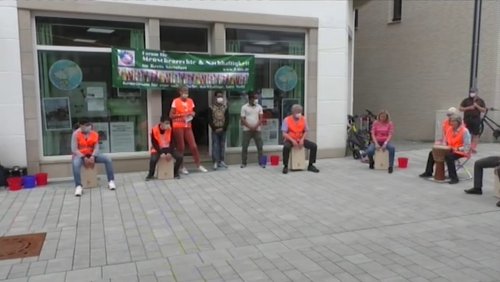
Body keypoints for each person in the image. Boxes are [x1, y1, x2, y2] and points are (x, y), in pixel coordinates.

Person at [419, 115, 471, 184]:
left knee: (449, 157)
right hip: (449, 149)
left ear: (458, 122)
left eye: (453, 121)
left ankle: (454, 178)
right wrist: (441, 147)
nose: (451, 123)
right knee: (432, 153)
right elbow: (445, 141)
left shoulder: (465, 131)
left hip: (460, 151)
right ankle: (428, 172)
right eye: (450, 121)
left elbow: (467, 146)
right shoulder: (449, 129)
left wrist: (457, 148)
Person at [72, 119, 116, 197]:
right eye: (86, 125)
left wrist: (93, 156)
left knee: (108, 159)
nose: (89, 127)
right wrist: (83, 157)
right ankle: (78, 186)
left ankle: (111, 181)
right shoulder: (76, 134)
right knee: (75, 164)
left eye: (89, 125)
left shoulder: (94, 134)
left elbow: (96, 147)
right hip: (80, 156)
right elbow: (74, 149)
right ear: (81, 126)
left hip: (92, 155)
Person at [169, 85, 207, 174]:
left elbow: (192, 111)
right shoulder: (176, 101)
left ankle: (198, 165)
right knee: (181, 147)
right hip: (178, 126)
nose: (186, 93)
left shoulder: (190, 101)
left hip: (188, 125)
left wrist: (192, 114)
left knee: (193, 146)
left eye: (187, 91)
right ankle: (182, 167)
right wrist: (182, 115)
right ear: (180, 92)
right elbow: (171, 115)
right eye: (184, 91)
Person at [281, 104, 319, 174]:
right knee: (286, 147)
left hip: (300, 139)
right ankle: (285, 166)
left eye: (300, 112)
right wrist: (292, 140)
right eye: (297, 112)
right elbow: (284, 133)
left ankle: (311, 165)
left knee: (314, 146)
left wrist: (302, 139)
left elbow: (306, 131)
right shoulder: (287, 120)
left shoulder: (303, 119)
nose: (299, 114)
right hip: (290, 139)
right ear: (293, 112)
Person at [145, 116, 183, 181]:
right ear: (161, 123)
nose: (167, 125)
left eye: (168, 123)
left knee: (180, 157)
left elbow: (173, 142)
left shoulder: (170, 129)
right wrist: (161, 153)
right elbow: (154, 143)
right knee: (153, 159)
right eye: (166, 123)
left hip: (168, 148)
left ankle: (175, 172)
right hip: (158, 149)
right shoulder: (154, 129)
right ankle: (150, 174)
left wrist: (169, 152)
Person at [240, 92, 264, 168]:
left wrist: (256, 126)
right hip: (247, 130)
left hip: (257, 129)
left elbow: (261, 118)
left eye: (257, 98)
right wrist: (250, 127)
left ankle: (261, 162)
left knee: (260, 146)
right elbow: (243, 119)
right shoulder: (244, 107)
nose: (256, 100)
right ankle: (244, 163)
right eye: (255, 98)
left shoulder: (259, 107)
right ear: (250, 99)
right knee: (244, 146)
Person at [460, 87, 486, 153]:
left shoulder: (480, 101)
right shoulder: (466, 100)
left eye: (473, 92)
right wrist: (469, 108)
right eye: (471, 92)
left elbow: (483, 110)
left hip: (476, 119)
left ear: (477, 92)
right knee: (465, 134)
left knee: (475, 134)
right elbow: (460, 108)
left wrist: (477, 106)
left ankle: (473, 148)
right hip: (467, 119)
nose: (472, 93)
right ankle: (466, 147)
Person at [208, 91, 229, 170]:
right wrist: (214, 128)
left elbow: (227, 119)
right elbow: (209, 120)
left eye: (221, 97)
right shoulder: (211, 107)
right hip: (215, 130)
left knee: (222, 145)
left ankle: (222, 161)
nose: (220, 98)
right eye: (218, 96)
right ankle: (215, 162)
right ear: (215, 98)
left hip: (223, 129)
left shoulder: (225, 107)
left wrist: (223, 128)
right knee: (215, 146)